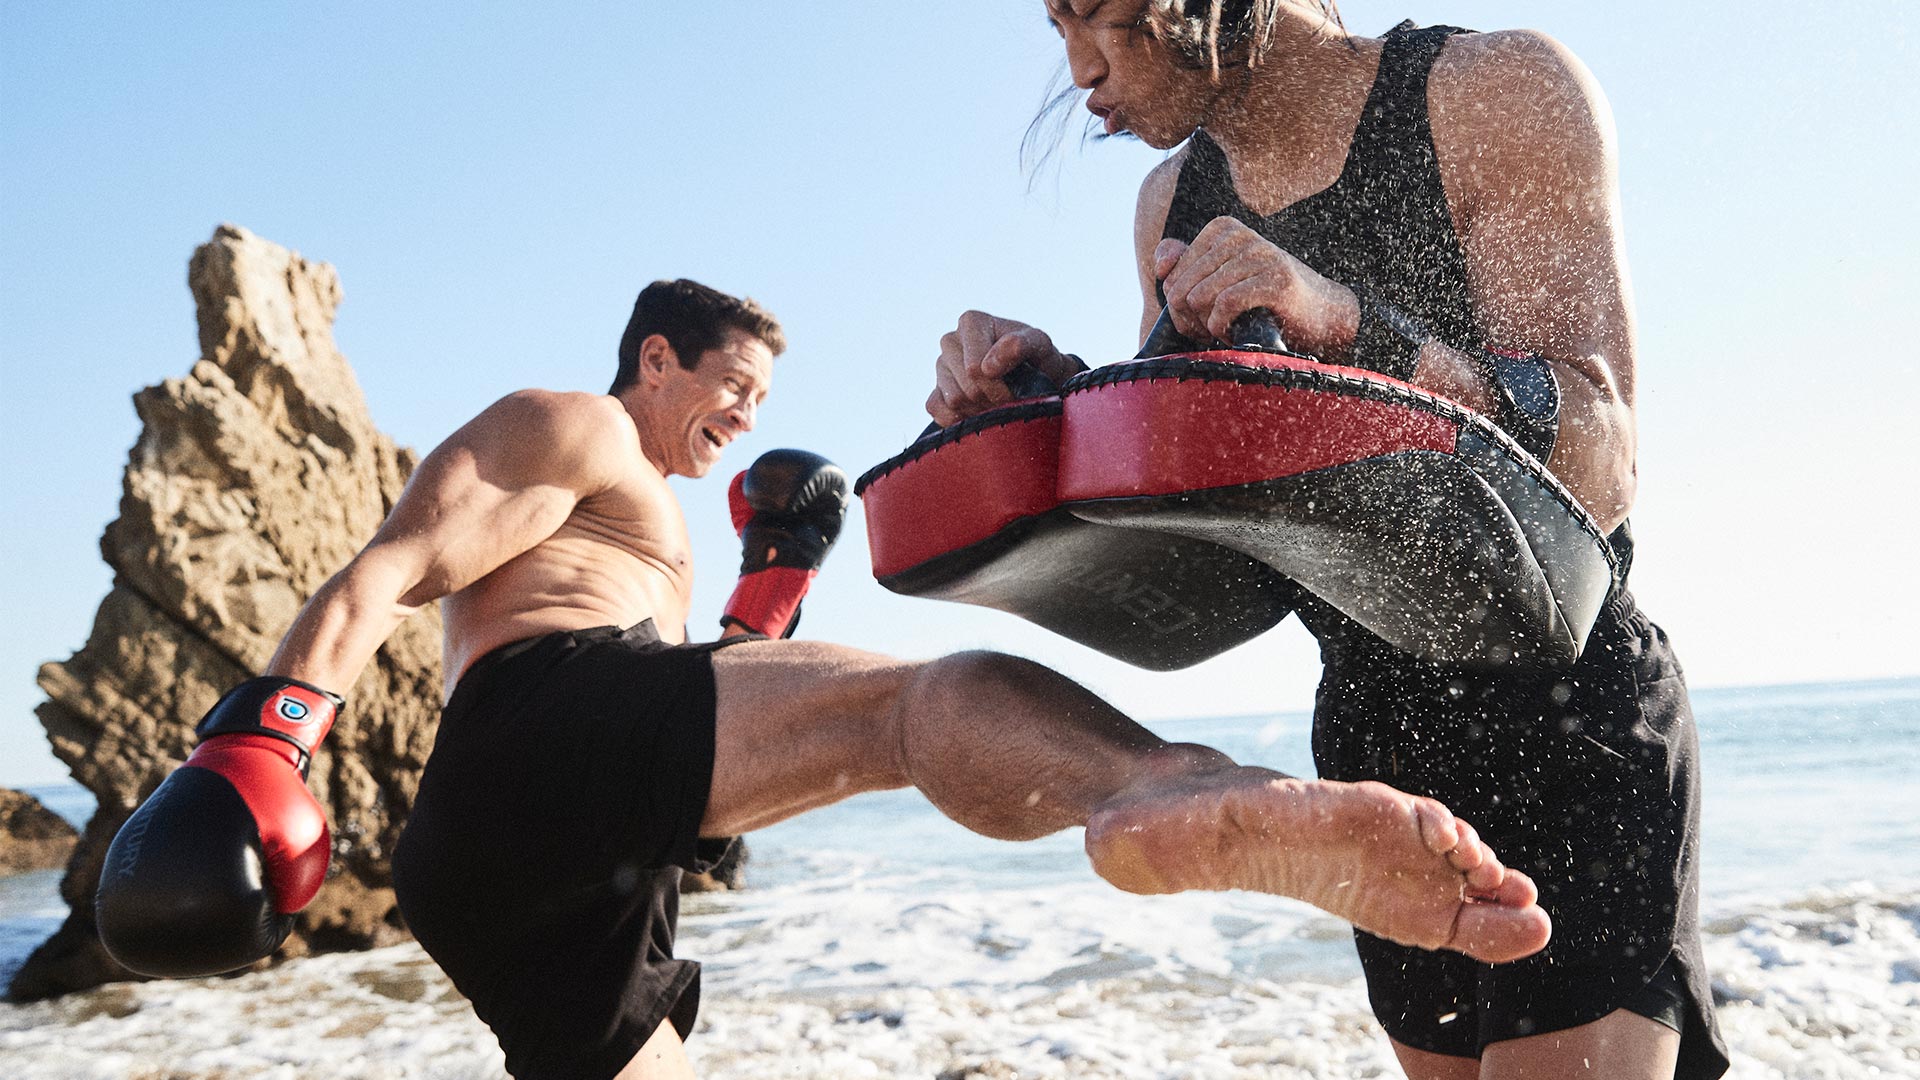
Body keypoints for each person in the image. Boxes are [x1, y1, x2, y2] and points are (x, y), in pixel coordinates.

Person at [99, 277, 1550, 1080]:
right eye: (732, 385)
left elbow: (677, 706)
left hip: (521, 850)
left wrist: (765, 598)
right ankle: (1168, 791)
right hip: (542, 738)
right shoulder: (571, 425)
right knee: (913, 707)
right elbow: (390, 566)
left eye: (766, 404)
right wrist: (267, 739)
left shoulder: (635, 515)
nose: (746, 417)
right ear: (654, 358)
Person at [926, 3, 1728, 1079]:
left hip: (1561, 718)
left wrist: (1353, 326)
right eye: (1062, 23)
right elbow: (1222, 539)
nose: (1081, 71)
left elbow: (1600, 461)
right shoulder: (1172, 201)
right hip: (1372, 762)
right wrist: (1052, 413)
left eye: (1110, 18)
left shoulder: (1490, 94)